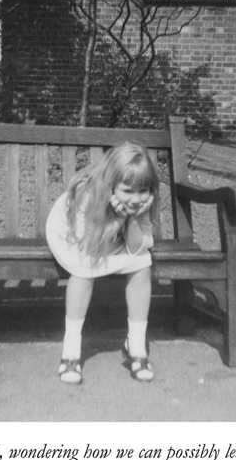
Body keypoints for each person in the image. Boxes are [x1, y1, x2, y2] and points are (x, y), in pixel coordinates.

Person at [46, 141, 160, 385]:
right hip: (72, 236)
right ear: (111, 186)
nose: (136, 198)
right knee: (84, 269)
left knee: (142, 264)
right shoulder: (88, 194)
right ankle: (71, 349)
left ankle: (136, 345)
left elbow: (137, 246)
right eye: (127, 191)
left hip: (108, 238)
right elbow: (88, 246)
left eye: (142, 191)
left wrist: (133, 217)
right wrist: (120, 217)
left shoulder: (140, 202)